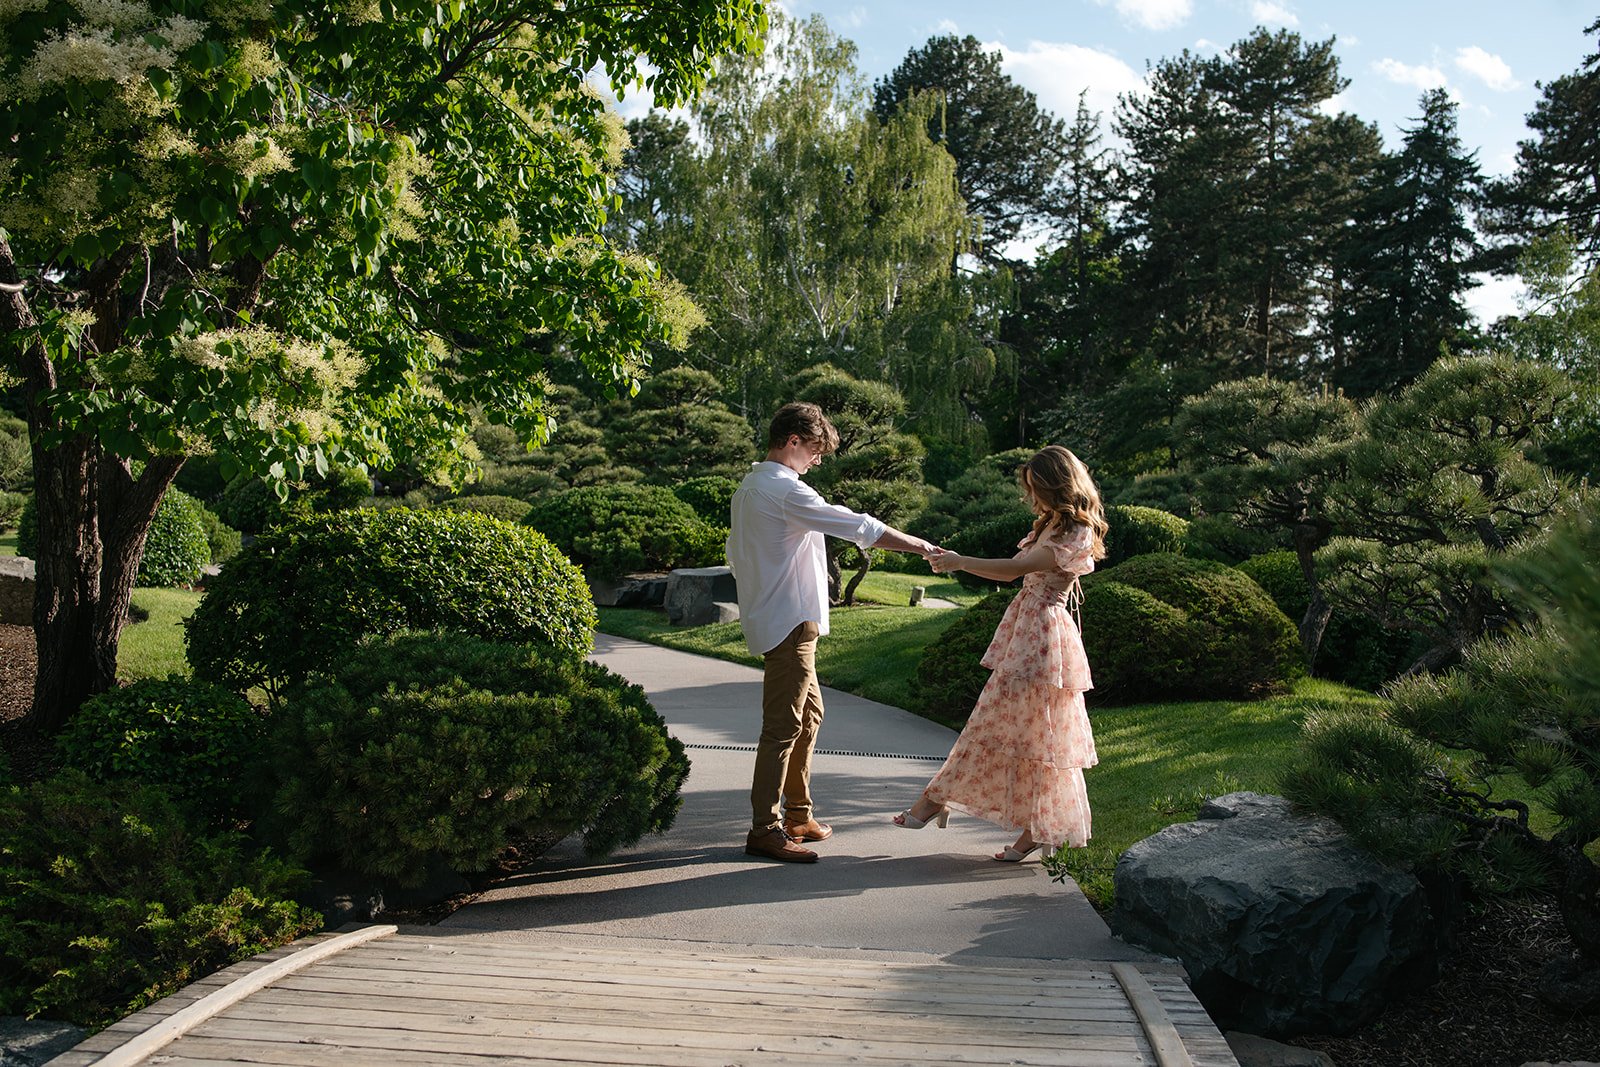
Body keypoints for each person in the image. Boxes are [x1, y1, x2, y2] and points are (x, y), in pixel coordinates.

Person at [728, 402, 939, 863]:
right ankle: (764, 829)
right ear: (793, 441)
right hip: (787, 623)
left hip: (781, 618)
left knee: (809, 716)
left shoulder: (750, 486)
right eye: (816, 450)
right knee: (783, 726)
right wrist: (919, 545)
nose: (817, 460)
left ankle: (799, 814)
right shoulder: (784, 491)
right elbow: (855, 525)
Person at [894, 445, 1107, 862]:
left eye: (1037, 489)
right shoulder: (1052, 524)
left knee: (1035, 735)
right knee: (1015, 730)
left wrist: (958, 561)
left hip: (1044, 637)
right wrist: (959, 563)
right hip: (1027, 630)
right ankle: (1020, 827)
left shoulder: (1076, 531)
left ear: (1056, 485)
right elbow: (1011, 571)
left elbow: (1012, 570)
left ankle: (941, 802)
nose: (1033, 499)